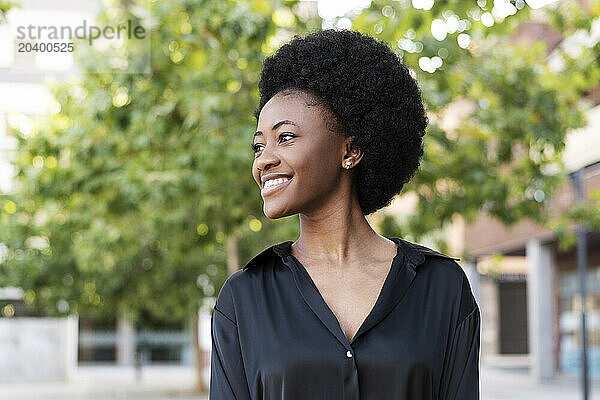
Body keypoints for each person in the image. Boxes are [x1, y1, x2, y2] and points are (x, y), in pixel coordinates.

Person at [209, 28, 480, 400]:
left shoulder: (442, 288)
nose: (264, 159)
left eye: (284, 137)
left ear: (349, 150)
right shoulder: (244, 297)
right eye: (258, 146)